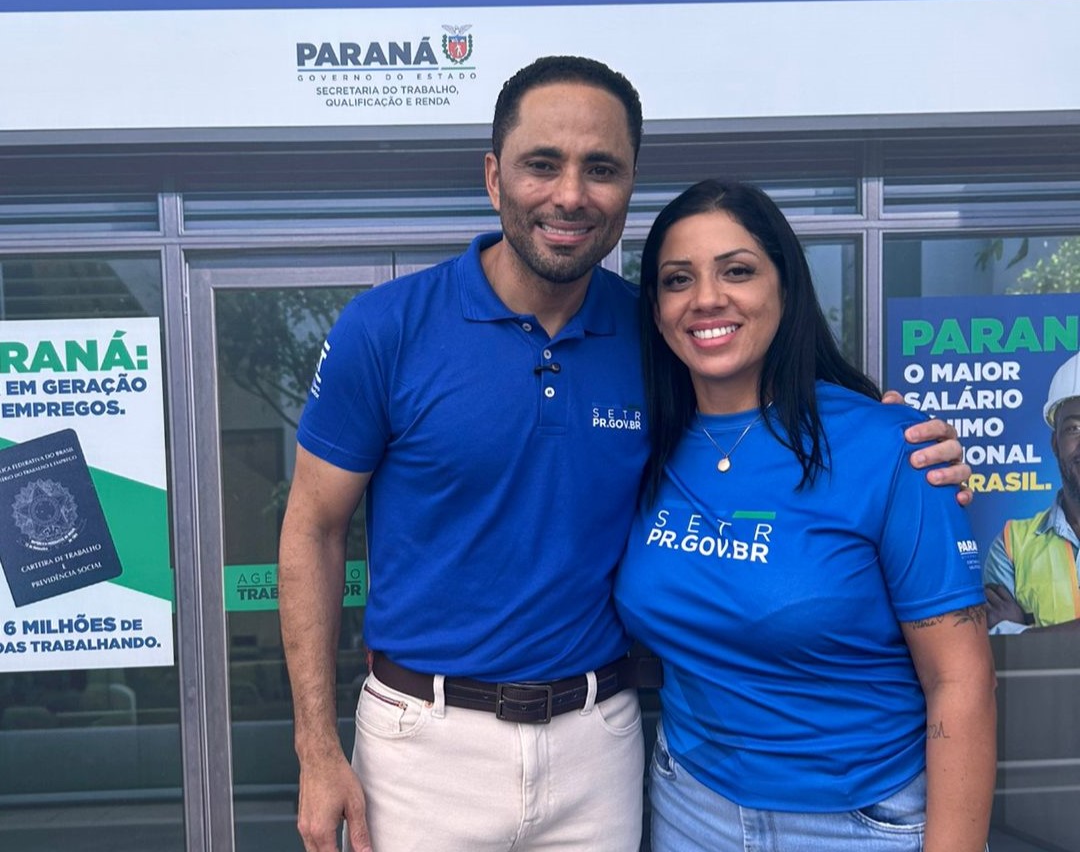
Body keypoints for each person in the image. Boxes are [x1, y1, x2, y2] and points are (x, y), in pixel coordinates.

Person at [277, 58, 971, 852]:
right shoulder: (387, 328)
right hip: (423, 744)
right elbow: (313, 528)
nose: (571, 194)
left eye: (601, 169)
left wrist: (894, 438)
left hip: (599, 743)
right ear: (495, 177)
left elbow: (761, 399)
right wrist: (315, 747)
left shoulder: (656, 335)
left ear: (629, 185)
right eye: (543, 164)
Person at [615, 180, 996, 852]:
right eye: (678, 279)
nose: (707, 298)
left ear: (786, 287)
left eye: (737, 270)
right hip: (689, 806)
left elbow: (959, 681)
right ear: (657, 309)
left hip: (861, 823)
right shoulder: (644, 443)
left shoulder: (891, 448)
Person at [984, 351, 1080, 634]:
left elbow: (1014, 643)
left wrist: (1025, 633)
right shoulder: (1011, 545)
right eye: (1074, 428)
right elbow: (997, 650)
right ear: (1055, 443)